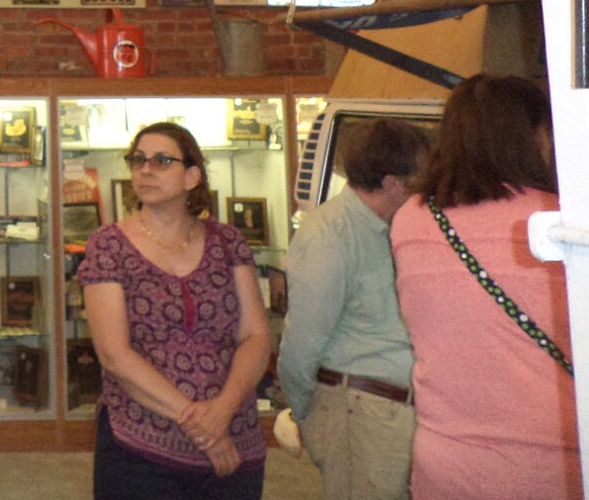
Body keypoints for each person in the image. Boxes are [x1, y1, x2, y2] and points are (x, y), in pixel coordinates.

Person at [390, 74, 581, 500]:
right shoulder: (562, 220)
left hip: (445, 459)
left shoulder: (411, 219)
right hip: (553, 465)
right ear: (534, 136)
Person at [79, 121, 269, 499]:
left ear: (192, 176)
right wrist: (201, 426)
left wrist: (222, 411)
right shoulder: (108, 245)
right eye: (138, 160)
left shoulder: (228, 242)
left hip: (233, 437)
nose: (146, 170)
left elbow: (256, 335)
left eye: (162, 161)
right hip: (140, 448)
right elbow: (114, 355)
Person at [277, 118, 432, 499]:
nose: (429, 187)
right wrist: (305, 415)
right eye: (421, 178)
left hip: (402, 412)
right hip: (358, 413)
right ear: (393, 183)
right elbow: (302, 342)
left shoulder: (401, 227)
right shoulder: (328, 235)